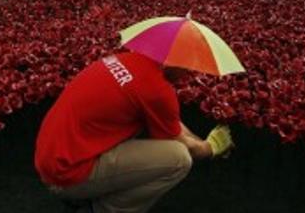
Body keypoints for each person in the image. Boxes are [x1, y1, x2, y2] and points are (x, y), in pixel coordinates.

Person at [34, 51, 235, 213]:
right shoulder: (157, 91)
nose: (191, 74)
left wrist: (198, 140)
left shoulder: (128, 59)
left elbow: (170, 123)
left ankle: (89, 192)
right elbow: (189, 149)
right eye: (190, 67)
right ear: (175, 63)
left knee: (146, 129)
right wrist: (212, 147)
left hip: (52, 157)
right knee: (179, 159)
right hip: (64, 176)